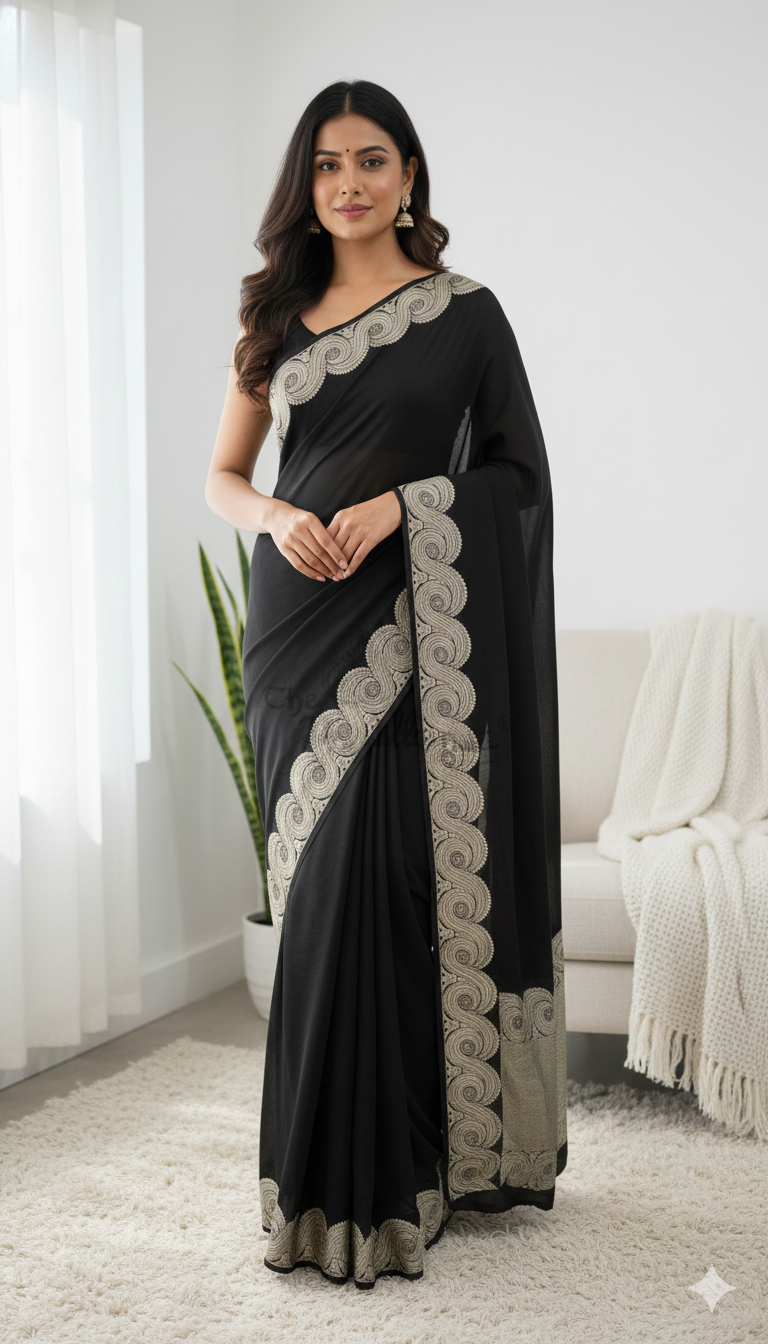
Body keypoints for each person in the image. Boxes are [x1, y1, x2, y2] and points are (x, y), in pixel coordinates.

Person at [205, 78, 567, 1291]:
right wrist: (271, 515)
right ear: (305, 184)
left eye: (370, 159)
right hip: (294, 627)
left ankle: (397, 1182)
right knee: (316, 905)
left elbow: (515, 478)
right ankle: (310, 1193)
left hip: (415, 626)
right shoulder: (280, 311)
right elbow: (224, 473)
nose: (347, 183)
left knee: (383, 887)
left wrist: (400, 510)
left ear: (410, 174)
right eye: (324, 165)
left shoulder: (467, 317)